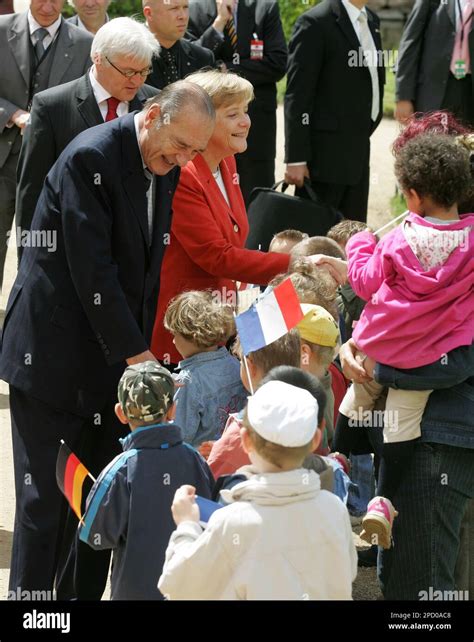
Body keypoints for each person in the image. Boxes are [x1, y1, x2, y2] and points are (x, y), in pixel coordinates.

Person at [0, 81, 215, 600]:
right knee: (43, 507)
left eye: (194, 151)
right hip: (51, 360)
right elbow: (92, 271)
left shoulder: (165, 164)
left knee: (96, 503)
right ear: (155, 115)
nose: (185, 159)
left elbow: (144, 272)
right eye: (181, 144)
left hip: (111, 363)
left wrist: (138, 356)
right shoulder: (90, 157)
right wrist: (139, 357)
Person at [335, 133, 474, 548]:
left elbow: (362, 283)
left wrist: (359, 244)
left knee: (355, 401)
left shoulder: (397, 240)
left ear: (412, 196)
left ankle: (337, 463)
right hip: (430, 358)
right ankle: (383, 501)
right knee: (401, 425)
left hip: (380, 346)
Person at [151, 69, 322, 368]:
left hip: (221, 316)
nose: (246, 122)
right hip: (187, 329)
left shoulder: (227, 161)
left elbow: (234, 239)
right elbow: (217, 256)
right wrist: (299, 262)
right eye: (233, 114)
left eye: (245, 111)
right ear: (202, 122)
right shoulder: (184, 175)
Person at [158, 380, 357, 600]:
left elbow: (180, 585)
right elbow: (347, 571)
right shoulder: (335, 509)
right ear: (315, 440)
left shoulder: (232, 521)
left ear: (245, 440)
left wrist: (187, 525)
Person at [16, 16, 159, 242]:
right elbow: (32, 192)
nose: (137, 81)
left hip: (134, 252)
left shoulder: (154, 103)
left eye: (144, 71)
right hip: (70, 247)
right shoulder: (51, 107)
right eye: (128, 72)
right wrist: (32, 260)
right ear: (98, 58)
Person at [79, 361, 214, 600]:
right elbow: (210, 520)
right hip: (189, 589)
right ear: (172, 410)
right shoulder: (196, 460)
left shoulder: (119, 470)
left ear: (120, 413)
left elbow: (94, 536)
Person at [0, 0, 92, 288]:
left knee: (41, 246)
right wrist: (13, 114)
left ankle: (28, 319)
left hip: (52, 165)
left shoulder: (86, 44)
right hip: (3, 156)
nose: (49, 6)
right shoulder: (1, 30)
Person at [284, 0, 384, 222]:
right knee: (317, 240)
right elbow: (297, 96)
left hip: (358, 152)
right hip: (322, 162)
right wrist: (296, 158)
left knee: (353, 236)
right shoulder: (315, 22)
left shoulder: (372, 21)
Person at [187, 0, 287, 204]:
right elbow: (190, 60)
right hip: (210, 130)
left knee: (256, 198)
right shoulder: (193, 8)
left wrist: (224, 69)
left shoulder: (264, 8)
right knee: (213, 199)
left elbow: (277, 63)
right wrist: (219, 23)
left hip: (256, 127)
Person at [207, 329, 301, 477]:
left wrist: (221, 448)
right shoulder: (305, 414)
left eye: (240, 362)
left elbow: (212, 479)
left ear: (250, 367)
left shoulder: (241, 431)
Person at [163, 290, 247, 447]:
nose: (173, 342)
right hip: (233, 454)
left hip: (200, 465)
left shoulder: (188, 381)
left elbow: (178, 436)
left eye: (175, 335)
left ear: (192, 335)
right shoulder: (235, 364)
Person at [395, 0, 474, 126]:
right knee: (430, 144)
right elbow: (410, 43)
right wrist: (403, 96)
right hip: (433, 92)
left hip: (469, 93)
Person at [143, 0, 215, 90]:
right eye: (174, 8)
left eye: (185, 7)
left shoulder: (203, 58)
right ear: (149, 13)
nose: (183, 16)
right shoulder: (130, 55)